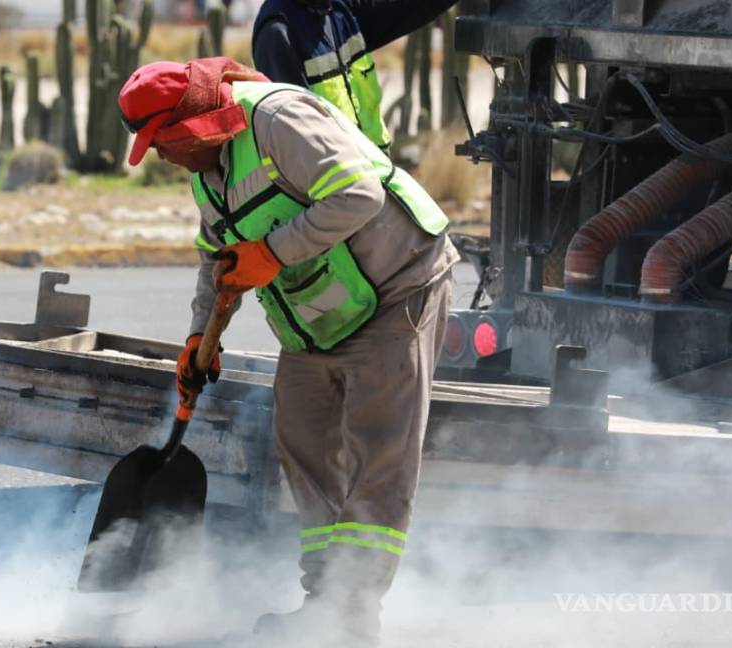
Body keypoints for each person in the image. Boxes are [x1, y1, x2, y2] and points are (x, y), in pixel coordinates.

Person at [118, 57, 458, 646]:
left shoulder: (278, 120)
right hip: (318, 320)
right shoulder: (207, 172)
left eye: (162, 142)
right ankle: (326, 601)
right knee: (304, 445)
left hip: (397, 286)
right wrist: (200, 334)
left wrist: (273, 252)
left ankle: (351, 615)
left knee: (379, 453)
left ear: (191, 125)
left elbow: (358, 193)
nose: (161, 157)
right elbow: (217, 256)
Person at [252, 0, 458, 150]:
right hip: (333, 188)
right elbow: (295, 140)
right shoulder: (277, 32)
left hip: (374, 175)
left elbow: (413, 5)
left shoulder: (340, 10)